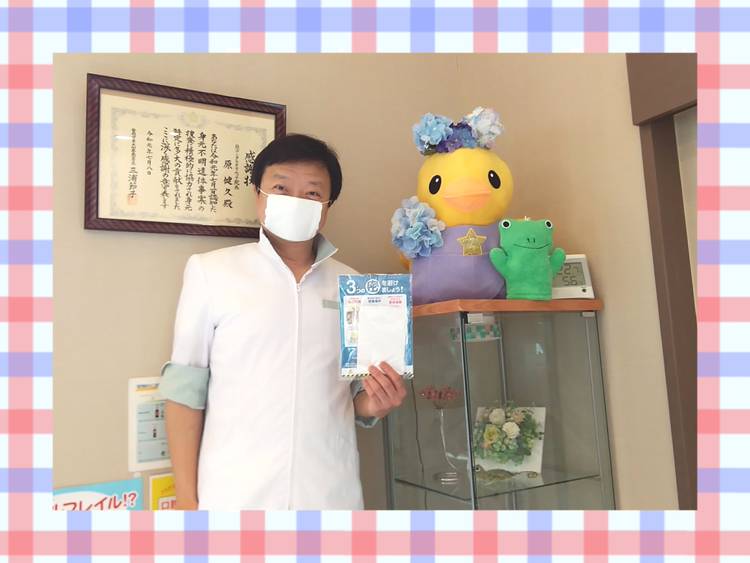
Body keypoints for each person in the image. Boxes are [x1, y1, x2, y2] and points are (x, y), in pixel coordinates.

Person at [159, 134, 407, 510]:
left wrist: (377, 404)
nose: (296, 200)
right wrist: (185, 499)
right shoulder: (211, 272)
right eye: (281, 188)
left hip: (329, 493)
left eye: (312, 193)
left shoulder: (354, 286)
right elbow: (184, 394)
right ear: (258, 195)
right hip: (233, 495)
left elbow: (354, 399)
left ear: (327, 207)